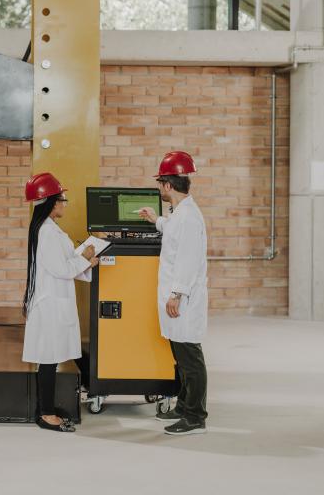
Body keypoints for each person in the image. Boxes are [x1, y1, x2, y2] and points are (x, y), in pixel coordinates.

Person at [138, 150, 209, 436]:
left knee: (190, 359)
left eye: (160, 184)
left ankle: (195, 418)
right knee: (181, 358)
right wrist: (156, 220)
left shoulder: (188, 217)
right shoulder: (181, 214)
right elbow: (173, 232)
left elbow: (188, 259)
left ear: (168, 185)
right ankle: (183, 406)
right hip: (178, 296)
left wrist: (176, 294)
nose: (159, 189)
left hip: (184, 299)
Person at [22, 173, 99, 432]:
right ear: (52, 202)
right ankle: (46, 414)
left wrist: (84, 256)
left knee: (55, 354)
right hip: (50, 305)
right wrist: (86, 260)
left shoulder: (48, 230)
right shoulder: (47, 233)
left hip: (54, 302)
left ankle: (87, 386)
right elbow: (61, 268)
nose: (65, 203)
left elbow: (62, 263)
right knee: (48, 359)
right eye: (63, 199)